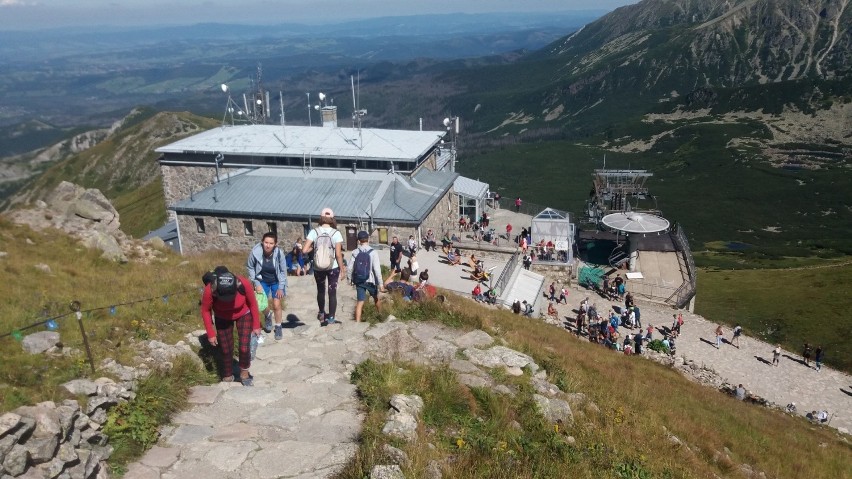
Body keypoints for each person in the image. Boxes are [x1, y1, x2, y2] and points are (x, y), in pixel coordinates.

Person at [200, 266, 261, 386]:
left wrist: (256, 325)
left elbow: (253, 304)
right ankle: (228, 374)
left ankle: (244, 373)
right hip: (222, 316)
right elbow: (205, 310)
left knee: (244, 346)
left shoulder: (243, 283)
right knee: (226, 348)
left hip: (243, 313)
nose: (227, 300)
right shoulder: (210, 289)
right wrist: (211, 333)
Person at [302, 207, 346, 326]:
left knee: (320, 290)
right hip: (333, 266)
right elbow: (338, 254)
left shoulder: (314, 232)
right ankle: (331, 317)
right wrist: (342, 269)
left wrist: (314, 248)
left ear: (321, 217)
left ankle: (321, 313)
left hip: (318, 266)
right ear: (332, 219)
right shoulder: (336, 233)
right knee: (332, 292)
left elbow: (304, 250)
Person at [246, 232, 288, 340]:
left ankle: (278, 326)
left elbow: (283, 271)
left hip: (276, 281)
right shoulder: (255, 253)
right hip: (262, 280)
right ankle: (268, 315)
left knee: (276, 304)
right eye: (266, 242)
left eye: (271, 243)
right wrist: (256, 283)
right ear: (262, 242)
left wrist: (281, 287)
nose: (268, 245)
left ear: (275, 244)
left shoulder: (279, 254)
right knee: (260, 304)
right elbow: (250, 267)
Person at [347, 230, 382, 323]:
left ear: (359, 241)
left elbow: (350, 267)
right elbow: (377, 269)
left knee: (360, 301)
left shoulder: (355, 252)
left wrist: (349, 279)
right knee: (376, 298)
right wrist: (381, 284)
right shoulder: (373, 252)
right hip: (371, 280)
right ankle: (380, 315)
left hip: (359, 279)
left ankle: (357, 323)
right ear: (368, 239)